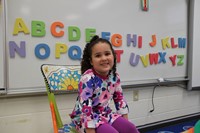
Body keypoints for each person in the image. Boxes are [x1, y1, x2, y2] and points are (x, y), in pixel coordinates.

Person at [70, 35, 139, 133]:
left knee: (131, 129)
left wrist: (125, 123)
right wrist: (90, 130)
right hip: (84, 118)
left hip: (105, 113)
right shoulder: (87, 79)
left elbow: (119, 99)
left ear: (113, 56)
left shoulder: (115, 77)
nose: (104, 58)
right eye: (98, 56)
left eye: (107, 54)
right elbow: (85, 108)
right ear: (91, 61)